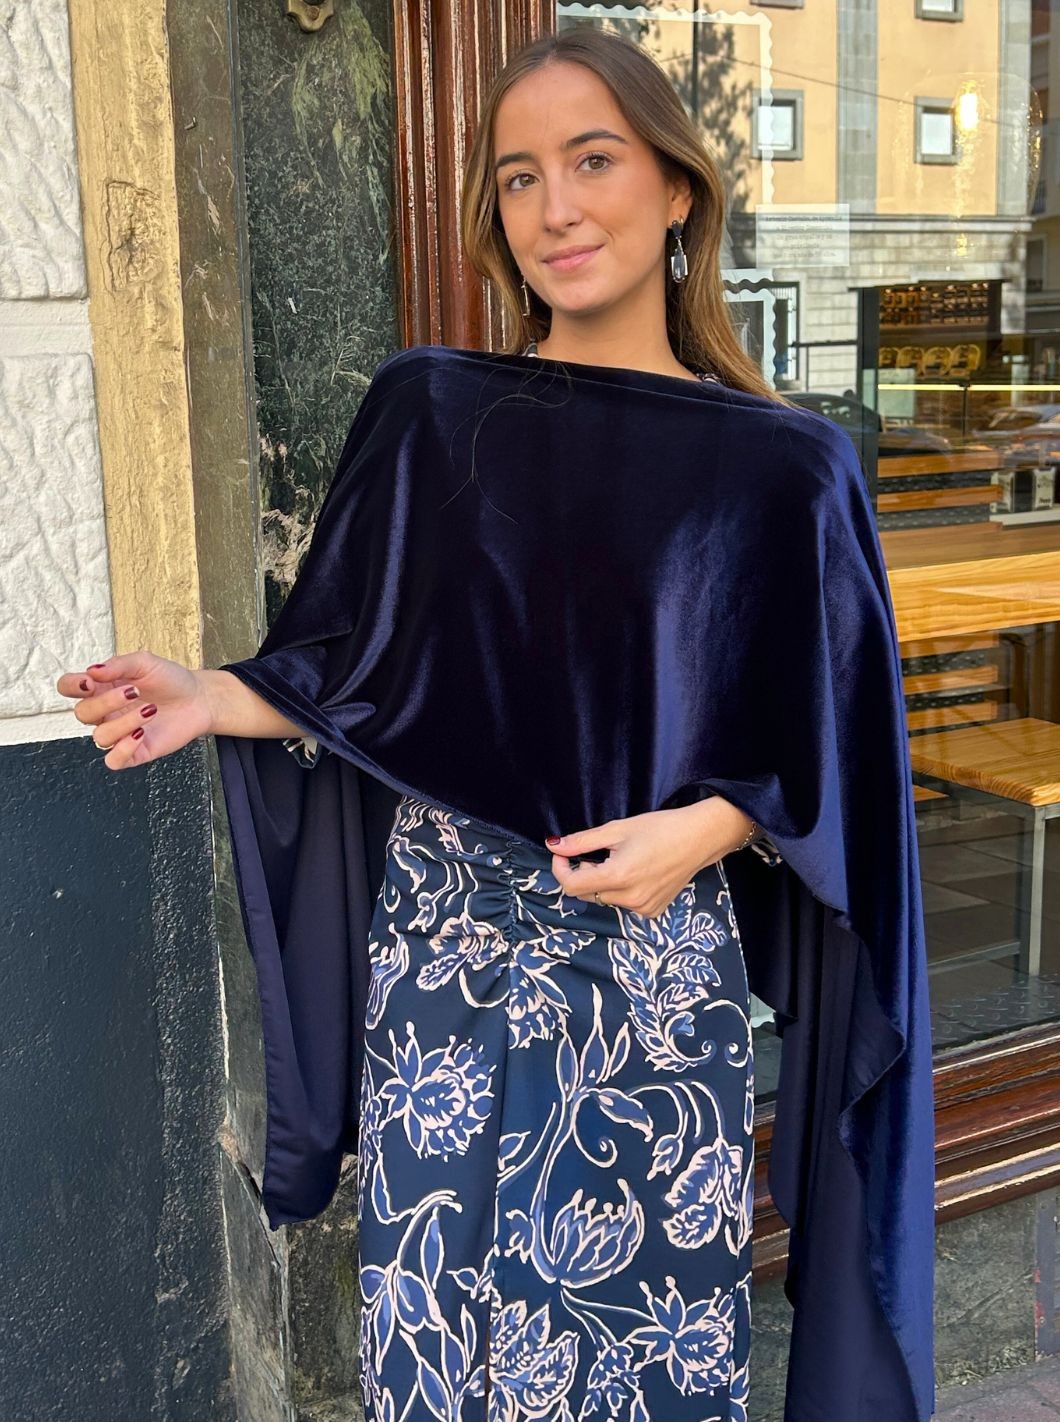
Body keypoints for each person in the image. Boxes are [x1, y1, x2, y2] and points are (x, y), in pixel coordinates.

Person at [56, 26, 935, 1422]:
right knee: (441, 1354)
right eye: (520, 177)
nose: (556, 209)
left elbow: (834, 753)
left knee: (642, 1354)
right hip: (449, 971)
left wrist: (706, 830)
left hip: (653, 979)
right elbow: (354, 671)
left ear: (678, 189)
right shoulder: (430, 413)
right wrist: (212, 693)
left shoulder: (787, 469)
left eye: (593, 161)